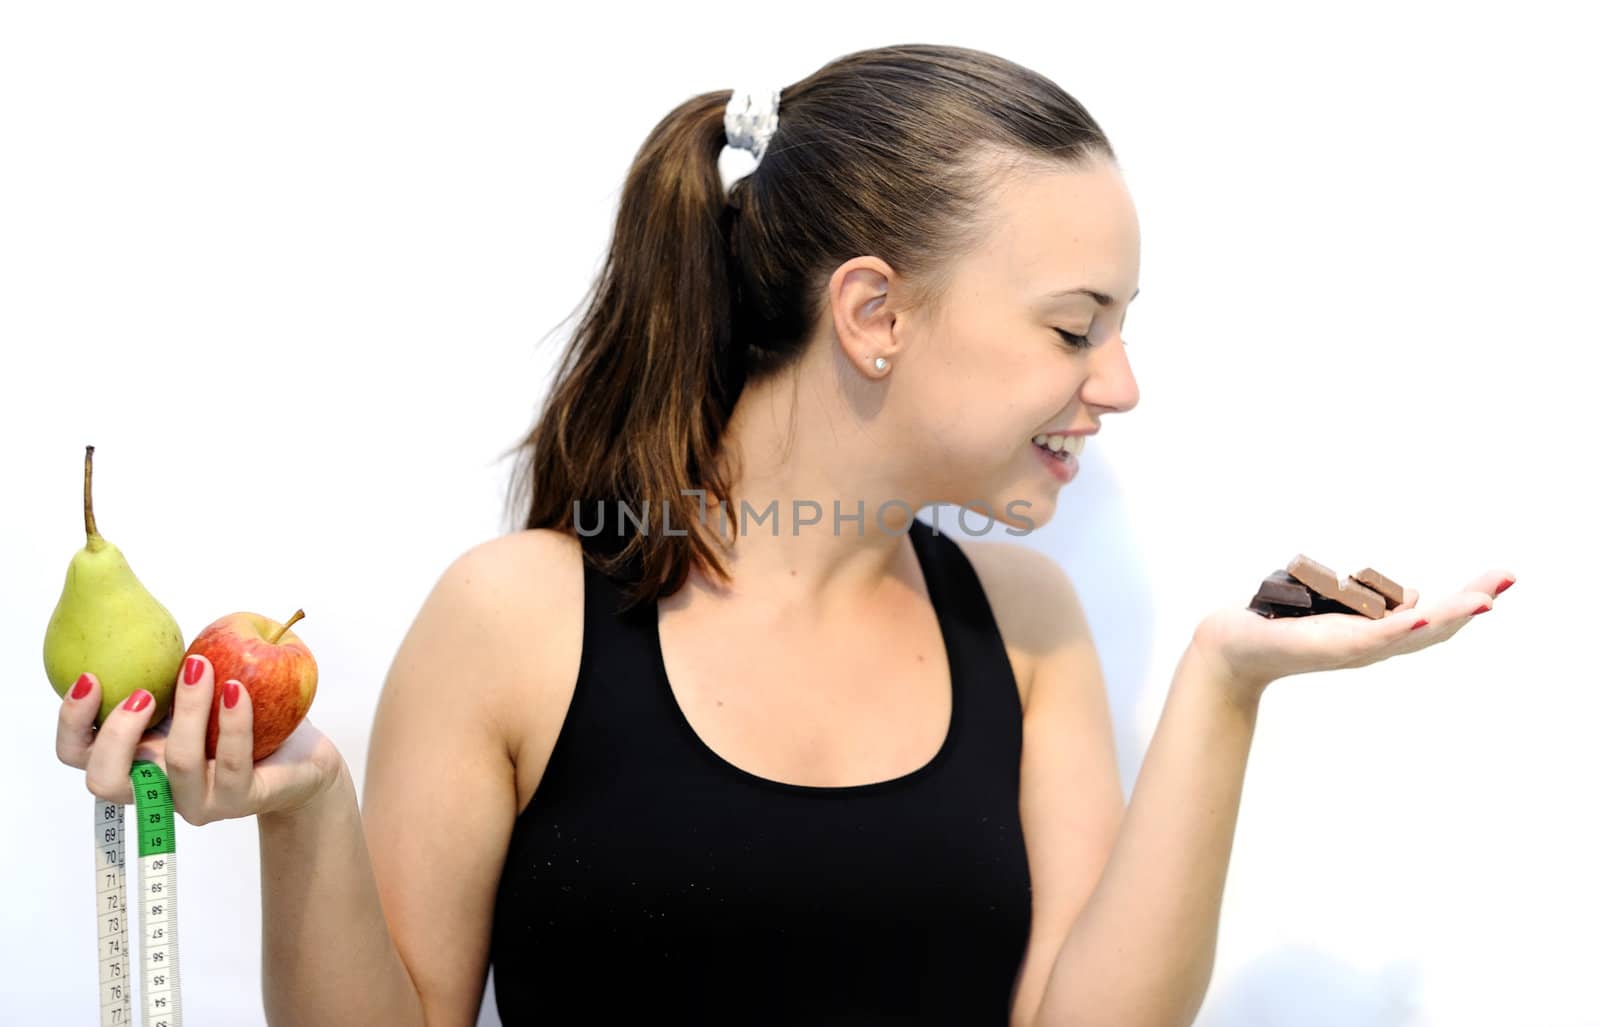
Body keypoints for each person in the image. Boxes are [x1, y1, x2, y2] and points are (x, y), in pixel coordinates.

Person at [54, 42, 1514, 1027]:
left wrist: (1224, 679)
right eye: (1077, 326)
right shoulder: (521, 616)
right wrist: (304, 811)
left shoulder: (1025, 626)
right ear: (873, 315)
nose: (1119, 385)